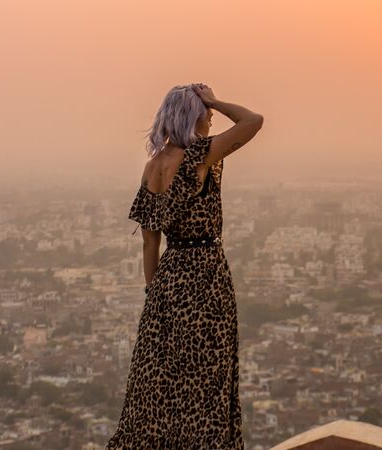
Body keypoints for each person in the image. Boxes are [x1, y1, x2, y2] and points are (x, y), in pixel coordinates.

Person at [106, 83, 264, 449]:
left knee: (163, 383)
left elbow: (150, 241)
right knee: (206, 380)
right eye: (206, 114)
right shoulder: (199, 156)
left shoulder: (152, 167)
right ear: (193, 116)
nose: (210, 120)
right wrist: (215, 100)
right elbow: (253, 121)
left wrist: (153, 292)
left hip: (167, 278)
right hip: (204, 275)